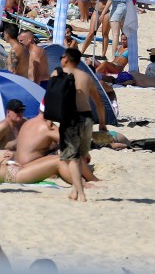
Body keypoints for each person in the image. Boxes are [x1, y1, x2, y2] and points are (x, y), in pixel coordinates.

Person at [57, 46, 105, 203]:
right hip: (87, 118)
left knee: (72, 158)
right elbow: (99, 103)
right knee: (80, 157)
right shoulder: (86, 77)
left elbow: (51, 99)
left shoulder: (58, 74)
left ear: (66, 59)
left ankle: (81, 193)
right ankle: (73, 191)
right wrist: (102, 124)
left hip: (71, 118)